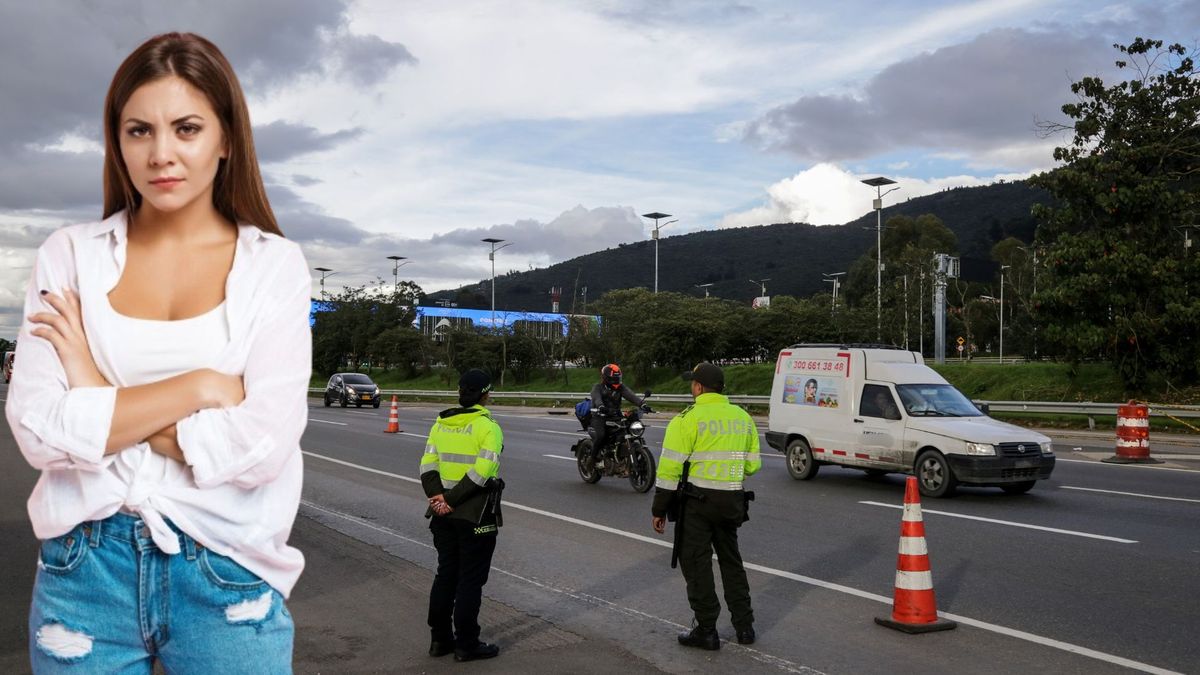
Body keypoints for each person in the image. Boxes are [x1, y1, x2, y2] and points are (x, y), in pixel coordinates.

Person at [4, 33, 309, 673]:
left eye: (187, 128)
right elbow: (40, 432)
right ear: (116, 141)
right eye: (139, 131)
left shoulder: (272, 267)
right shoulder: (71, 255)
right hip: (83, 572)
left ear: (227, 138)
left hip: (228, 572)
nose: (162, 154)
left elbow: (258, 449)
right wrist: (200, 386)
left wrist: (94, 394)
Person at [651, 362, 762, 650]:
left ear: (699, 387)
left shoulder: (687, 419)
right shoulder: (742, 417)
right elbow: (753, 464)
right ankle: (745, 627)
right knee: (731, 562)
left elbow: (669, 470)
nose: (691, 388)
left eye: (693, 384)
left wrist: (659, 510)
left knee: (697, 564)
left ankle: (707, 630)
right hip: (732, 503)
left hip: (697, 503)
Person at [420, 369, 505, 662]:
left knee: (446, 574)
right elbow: (483, 472)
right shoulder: (487, 427)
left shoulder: (441, 423)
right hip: (475, 515)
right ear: (486, 394)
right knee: (470, 580)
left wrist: (439, 500)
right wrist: (453, 501)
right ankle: (467, 644)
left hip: (441, 515)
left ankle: (440, 640)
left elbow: (427, 466)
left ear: (459, 392)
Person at [586, 363, 644, 466]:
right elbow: (597, 398)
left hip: (615, 416)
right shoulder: (598, 387)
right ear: (606, 378)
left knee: (629, 430)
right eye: (613, 378)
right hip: (599, 416)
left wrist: (642, 404)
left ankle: (622, 455)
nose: (616, 381)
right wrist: (601, 407)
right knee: (601, 435)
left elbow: (630, 395)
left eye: (617, 378)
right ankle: (592, 458)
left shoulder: (620, 387)